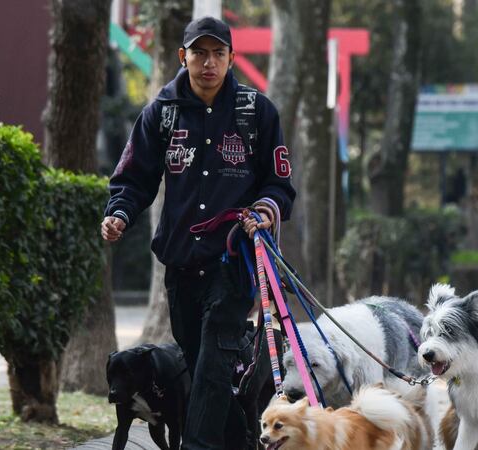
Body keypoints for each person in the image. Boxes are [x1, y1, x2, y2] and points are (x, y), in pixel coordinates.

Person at [100, 16, 295, 450]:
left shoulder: (257, 112)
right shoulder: (161, 114)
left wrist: (265, 210)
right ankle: (243, 445)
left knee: (211, 365)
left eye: (218, 53)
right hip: (181, 262)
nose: (209, 62)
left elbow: (279, 185)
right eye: (200, 53)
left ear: (230, 58)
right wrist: (119, 213)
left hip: (235, 264)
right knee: (201, 363)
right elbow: (134, 179)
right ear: (182, 56)